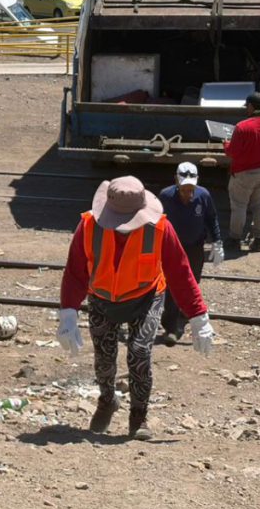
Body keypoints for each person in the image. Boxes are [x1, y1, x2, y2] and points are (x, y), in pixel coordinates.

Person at [56, 176, 214, 440]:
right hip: (101, 298)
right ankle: (108, 400)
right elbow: (75, 271)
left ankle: (138, 416)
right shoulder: (88, 226)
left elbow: (180, 272)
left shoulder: (160, 228)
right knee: (104, 359)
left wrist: (198, 316)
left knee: (140, 352)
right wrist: (68, 313)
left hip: (146, 296)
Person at [158, 162, 223, 347]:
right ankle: (171, 327)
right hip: (172, 248)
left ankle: (184, 315)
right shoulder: (165, 196)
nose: (188, 193)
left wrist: (217, 241)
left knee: (192, 282)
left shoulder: (203, 196)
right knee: (172, 285)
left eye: (191, 189)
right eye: (184, 189)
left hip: (195, 247)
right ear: (176, 182)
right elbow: (155, 220)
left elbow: (211, 218)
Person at [224, 91, 260, 252]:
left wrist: (226, 144)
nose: (246, 109)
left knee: (239, 206)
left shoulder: (242, 127)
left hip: (245, 173)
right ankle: (259, 240)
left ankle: (235, 239)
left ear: (251, 106)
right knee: (259, 204)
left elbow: (232, 153)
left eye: (247, 106)